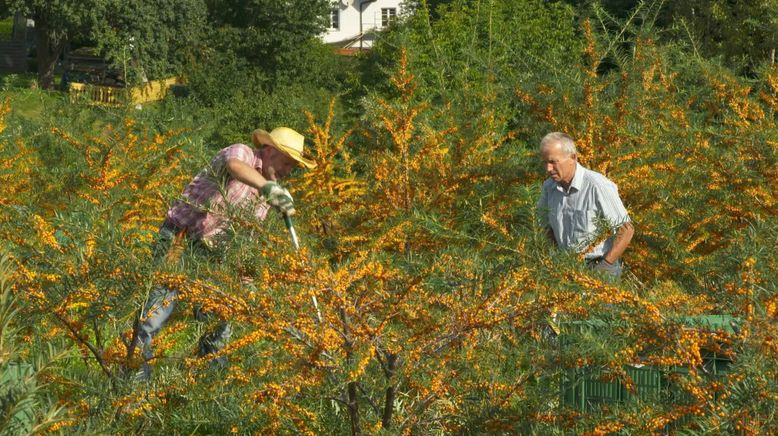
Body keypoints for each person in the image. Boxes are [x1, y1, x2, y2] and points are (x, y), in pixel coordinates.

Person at [130, 127, 317, 378]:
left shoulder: (266, 195)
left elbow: (243, 240)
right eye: (287, 163)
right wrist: (267, 188)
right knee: (152, 318)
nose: (288, 172)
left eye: (293, 167)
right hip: (180, 241)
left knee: (219, 327)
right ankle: (133, 390)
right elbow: (234, 166)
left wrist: (246, 283)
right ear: (270, 150)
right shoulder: (243, 153)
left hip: (216, 259)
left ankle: (208, 391)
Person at [537, 132, 634, 278]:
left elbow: (626, 229)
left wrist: (606, 265)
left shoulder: (597, 185)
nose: (548, 169)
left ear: (573, 158)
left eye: (553, 162)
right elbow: (545, 227)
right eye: (545, 162)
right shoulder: (549, 188)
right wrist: (555, 261)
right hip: (566, 268)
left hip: (599, 266)